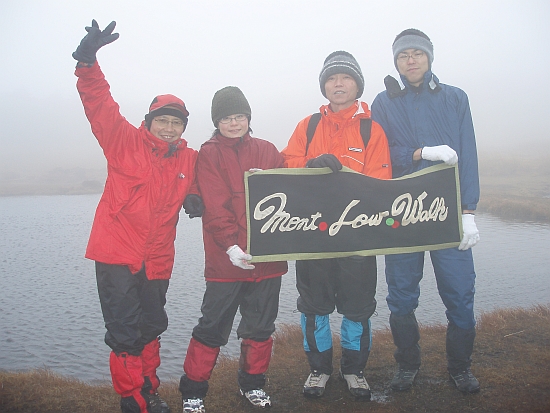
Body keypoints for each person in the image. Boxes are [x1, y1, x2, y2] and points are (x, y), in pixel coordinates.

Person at [73, 20, 203, 413]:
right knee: (125, 333)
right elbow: (99, 103)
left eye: (175, 122)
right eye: (161, 120)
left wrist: (194, 196)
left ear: (182, 128)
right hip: (116, 256)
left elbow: (210, 178)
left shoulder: (189, 158)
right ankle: (132, 400)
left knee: (151, 328)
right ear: (148, 123)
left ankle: (149, 390)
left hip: (158, 260)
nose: (167, 128)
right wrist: (87, 62)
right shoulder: (122, 140)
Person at [371, 28, 481, 394]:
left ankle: (460, 368)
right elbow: (380, 156)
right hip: (401, 215)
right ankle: (407, 364)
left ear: (429, 58)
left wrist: (469, 211)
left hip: (447, 213)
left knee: (460, 292)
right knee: (401, 294)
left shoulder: (455, 98)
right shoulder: (384, 103)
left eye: (417, 53)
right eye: (404, 56)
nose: (411, 61)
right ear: (396, 63)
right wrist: (419, 153)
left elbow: (468, 153)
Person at [281, 51, 392, 401]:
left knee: (358, 309)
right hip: (313, 237)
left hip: (358, 239)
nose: (338, 84)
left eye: (345, 78)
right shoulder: (308, 126)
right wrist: (311, 163)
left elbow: (381, 179)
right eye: (331, 79)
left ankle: (355, 371)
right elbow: (287, 164)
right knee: (313, 307)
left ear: (357, 84)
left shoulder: (372, 128)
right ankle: (319, 369)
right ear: (324, 87)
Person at [178, 86, 288, 413]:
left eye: (239, 116)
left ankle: (252, 385)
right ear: (217, 122)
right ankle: (193, 392)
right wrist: (230, 246)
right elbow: (214, 204)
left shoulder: (268, 149)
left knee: (260, 327)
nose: (234, 123)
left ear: (248, 118)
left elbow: (291, 191)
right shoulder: (209, 153)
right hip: (225, 262)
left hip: (268, 260)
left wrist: (268, 181)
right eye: (226, 118)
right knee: (211, 328)